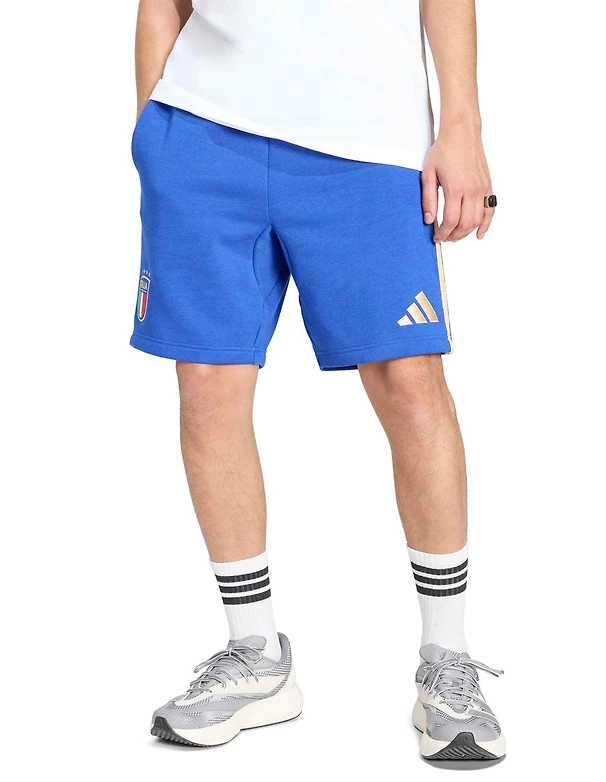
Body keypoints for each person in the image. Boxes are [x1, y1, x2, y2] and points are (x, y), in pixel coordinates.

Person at [131, 0, 504, 761]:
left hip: (369, 137)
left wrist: (461, 123)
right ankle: (256, 655)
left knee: (409, 381)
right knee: (207, 379)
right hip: (203, 130)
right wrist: (150, 134)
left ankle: (448, 660)